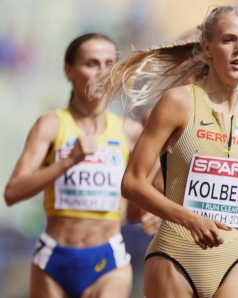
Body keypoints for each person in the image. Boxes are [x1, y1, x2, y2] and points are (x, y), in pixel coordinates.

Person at [97, 4, 238, 298]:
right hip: (176, 256)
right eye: (228, 40)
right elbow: (132, 183)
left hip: (237, 258)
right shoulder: (178, 102)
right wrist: (189, 218)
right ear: (207, 47)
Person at [4, 33, 143, 298]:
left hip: (108, 260)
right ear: (69, 70)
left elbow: (147, 188)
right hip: (54, 259)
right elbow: (12, 192)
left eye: (109, 63)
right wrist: (68, 162)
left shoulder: (130, 131)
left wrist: (148, 211)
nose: (102, 72)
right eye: (91, 63)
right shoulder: (51, 125)